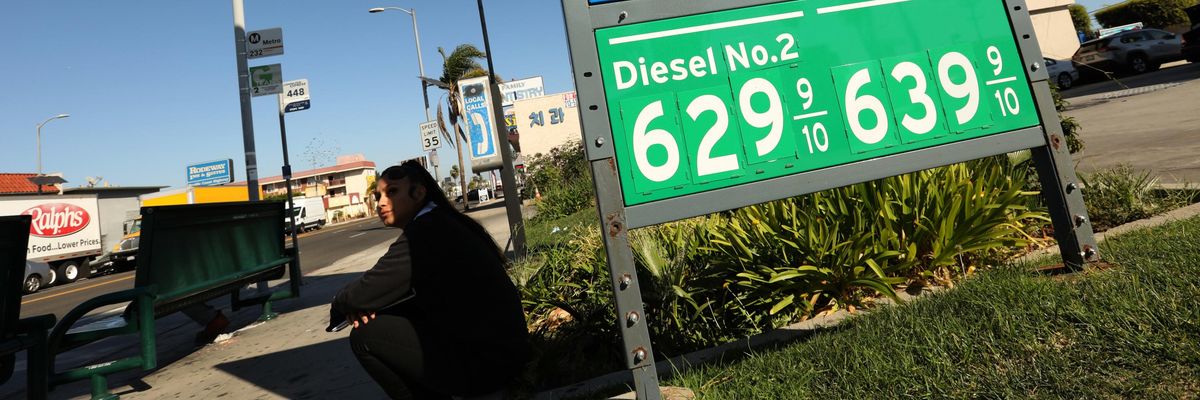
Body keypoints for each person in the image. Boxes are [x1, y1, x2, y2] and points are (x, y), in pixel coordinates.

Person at [329, 161, 529, 399]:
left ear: (419, 193)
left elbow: (363, 292)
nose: (381, 202)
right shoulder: (439, 221)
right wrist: (366, 305)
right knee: (387, 315)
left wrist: (341, 303)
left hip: (490, 363)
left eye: (392, 192)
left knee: (365, 336)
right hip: (501, 352)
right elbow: (379, 293)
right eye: (378, 196)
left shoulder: (425, 232)